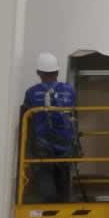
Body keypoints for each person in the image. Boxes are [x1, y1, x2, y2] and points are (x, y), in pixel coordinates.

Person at [22, 52, 78, 202]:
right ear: (57, 72)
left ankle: (48, 202)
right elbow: (73, 113)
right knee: (63, 180)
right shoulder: (69, 90)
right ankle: (63, 202)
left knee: (45, 182)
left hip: (42, 146)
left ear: (38, 72)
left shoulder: (32, 92)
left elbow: (26, 116)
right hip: (65, 144)